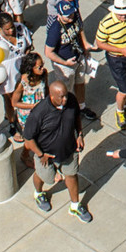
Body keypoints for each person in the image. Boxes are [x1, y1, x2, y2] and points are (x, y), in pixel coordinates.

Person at [27, 77, 93, 222]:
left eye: (66, 95)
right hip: (46, 154)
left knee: (72, 175)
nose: (65, 99)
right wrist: (40, 154)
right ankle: (38, 193)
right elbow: (28, 139)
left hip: (69, 149)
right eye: (61, 97)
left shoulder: (71, 101)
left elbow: (76, 118)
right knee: (44, 176)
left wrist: (80, 135)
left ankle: (75, 206)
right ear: (52, 96)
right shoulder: (39, 113)